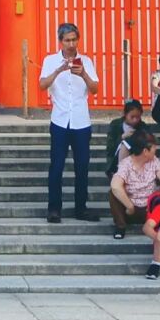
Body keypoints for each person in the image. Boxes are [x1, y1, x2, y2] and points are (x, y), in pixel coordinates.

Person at [40, 22, 100, 224]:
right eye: (67, 40)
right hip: (59, 120)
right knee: (56, 166)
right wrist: (59, 70)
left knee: (82, 166)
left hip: (81, 121)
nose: (71, 44)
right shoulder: (50, 60)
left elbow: (95, 89)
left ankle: (80, 208)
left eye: (74, 40)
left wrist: (83, 73)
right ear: (60, 41)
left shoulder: (87, 61)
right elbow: (42, 85)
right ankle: (54, 208)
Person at [109, 129, 160, 239]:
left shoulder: (154, 160)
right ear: (145, 151)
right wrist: (130, 206)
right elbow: (115, 186)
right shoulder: (126, 164)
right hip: (130, 210)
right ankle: (120, 227)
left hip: (149, 207)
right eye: (154, 147)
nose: (156, 149)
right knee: (113, 193)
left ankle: (159, 223)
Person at [104, 99, 146, 181]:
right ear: (125, 114)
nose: (135, 120)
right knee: (125, 145)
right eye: (132, 117)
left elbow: (149, 144)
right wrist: (122, 137)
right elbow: (110, 148)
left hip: (136, 161)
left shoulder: (143, 126)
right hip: (116, 161)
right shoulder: (115, 124)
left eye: (138, 117)